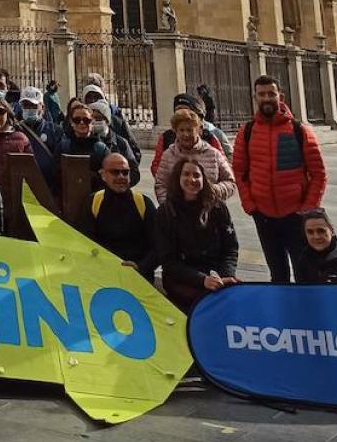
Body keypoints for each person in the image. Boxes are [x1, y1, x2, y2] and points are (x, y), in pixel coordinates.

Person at [232, 75, 327, 283]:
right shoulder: (246, 132)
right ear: (255, 97)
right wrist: (250, 205)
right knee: (277, 274)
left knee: (305, 274)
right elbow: (239, 172)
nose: (267, 98)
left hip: (296, 215)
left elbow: (319, 174)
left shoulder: (299, 130)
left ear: (280, 96)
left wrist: (307, 209)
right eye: (262, 94)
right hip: (264, 215)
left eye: (271, 94)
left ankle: (304, 313)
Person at [155, 158, 240, 312]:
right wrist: (202, 280)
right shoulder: (166, 212)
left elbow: (230, 248)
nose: (192, 179)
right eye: (186, 174)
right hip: (183, 278)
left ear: (203, 179)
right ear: (178, 178)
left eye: (196, 175)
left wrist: (225, 275)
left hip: (217, 274)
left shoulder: (218, 208)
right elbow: (168, 261)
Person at [78, 152, 157, 281]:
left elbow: (158, 247)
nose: (121, 176)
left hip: (139, 277)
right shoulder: (93, 202)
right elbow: (84, 243)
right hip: (103, 275)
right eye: (115, 172)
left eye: (125, 172)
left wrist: (140, 267)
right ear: (103, 175)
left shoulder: (143, 203)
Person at [154, 110, 236, 205]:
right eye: (181, 130)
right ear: (175, 131)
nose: (185, 134)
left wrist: (211, 191)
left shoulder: (213, 154)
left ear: (198, 130)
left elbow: (230, 182)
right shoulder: (168, 155)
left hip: (209, 210)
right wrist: (168, 207)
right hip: (178, 213)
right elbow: (161, 185)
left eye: (189, 130)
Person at [58, 100, 138, 190]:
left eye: (86, 120)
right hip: (68, 199)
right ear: (71, 122)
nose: (81, 123)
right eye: (77, 120)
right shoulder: (63, 146)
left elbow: (111, 178)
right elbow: (54, 176)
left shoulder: (101, 149)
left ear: (92, 122)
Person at [149, 92, 230, 177]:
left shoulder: (209, 138)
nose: (182, 113)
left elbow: (226, 174)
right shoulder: (166, 138)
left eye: (185, 110)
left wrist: (211, 187)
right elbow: (157, 167)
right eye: (178, 110)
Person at [296, 209, 337, 286]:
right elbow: (301, 292)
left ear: (332, 231)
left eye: (321, 231)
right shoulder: (304, 258)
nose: (316, 236)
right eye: (310, 232)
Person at [15, 85, 62, 193]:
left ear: (43, 107)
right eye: (26, 105)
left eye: (34, 105)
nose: (29, 109)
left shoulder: (55, 131)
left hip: (49, 189)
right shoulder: (16, 131)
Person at [81, 81, 141, 164]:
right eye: (89, 97)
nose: (92, 100)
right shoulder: (80, 124)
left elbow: (134, 151)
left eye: (96, 97)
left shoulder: (117, 123)